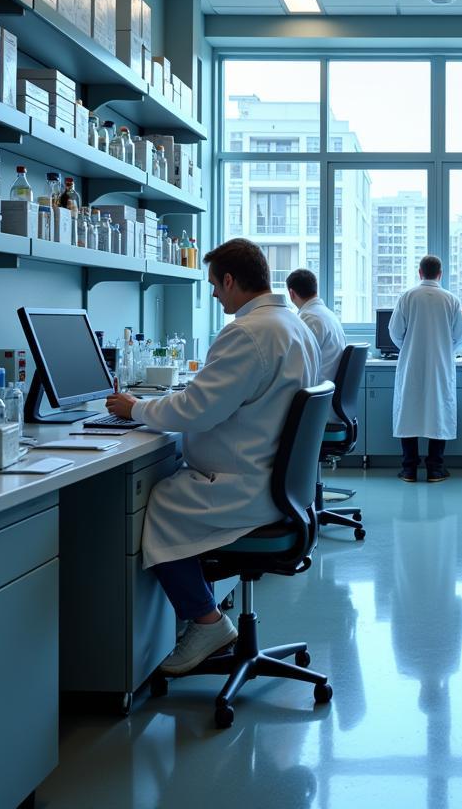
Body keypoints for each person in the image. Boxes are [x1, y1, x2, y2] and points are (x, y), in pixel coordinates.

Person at [105, 239, 321, 675]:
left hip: (244, 485)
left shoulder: (248, 332)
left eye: (215, 287)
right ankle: (205, 611)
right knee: (173, 492)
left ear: (229, 279)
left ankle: (206, 621)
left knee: (162, 503)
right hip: (280, 486)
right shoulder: (293, 325)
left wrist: (136, 409)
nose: (216, 296)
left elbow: (196, 409)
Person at [389, 254, 462, 483]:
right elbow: (458, 337)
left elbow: (394, 332)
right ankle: (435, 469)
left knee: (409, 412)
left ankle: (409, 469)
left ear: (420, 273)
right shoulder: (450, 299)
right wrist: (441, 348)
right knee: (438, 412)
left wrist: (410, 346)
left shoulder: (407, 297)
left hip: (411, 363)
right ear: (440, 274)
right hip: (440, 365)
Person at [286, 268, 345, 389]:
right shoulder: (328, 314)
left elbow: (299, 366)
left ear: (291, 293)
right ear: (315, 288)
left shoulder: (309, 319)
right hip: (324, 391)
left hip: (315, 392)